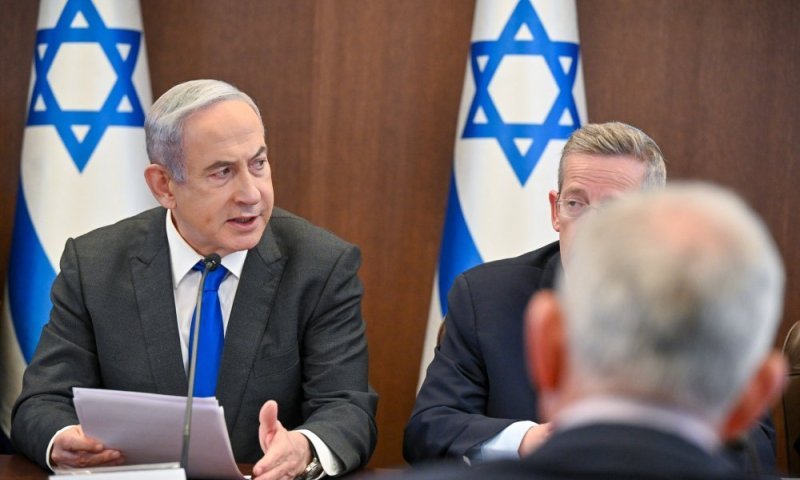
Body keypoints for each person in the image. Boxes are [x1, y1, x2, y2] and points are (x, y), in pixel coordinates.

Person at [11, 79, 377, 479]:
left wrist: (304, 447)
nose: (251, 194)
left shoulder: (320, 266)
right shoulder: (95, 265)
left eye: (258, 164)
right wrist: (63, 439)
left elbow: (347, 408)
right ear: (164, 185)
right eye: (222, 172)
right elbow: (41, 403)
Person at [404, 122, 777, 471]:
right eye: (575, 203)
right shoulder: (486, 297)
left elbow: (756, 447)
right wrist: (527, 440)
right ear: (555, 210)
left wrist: (636, 446)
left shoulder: (703, 299)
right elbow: (428, 428)